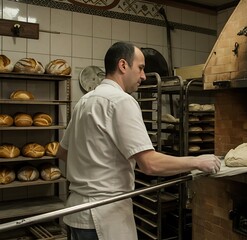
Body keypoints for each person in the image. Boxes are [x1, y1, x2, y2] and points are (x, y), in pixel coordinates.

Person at [56, 41, 221, 240]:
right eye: (141, 68)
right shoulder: (122, 101)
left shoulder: (84, 101)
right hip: (105, 216)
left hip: (77, 213)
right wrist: (197, 162)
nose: (143, 76)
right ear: (123, 65)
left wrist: (93, 169)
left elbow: (63, 153)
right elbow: (150, 164)